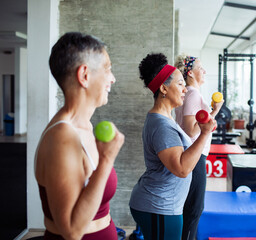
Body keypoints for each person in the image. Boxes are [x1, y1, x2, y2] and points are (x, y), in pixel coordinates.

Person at [34, 32, 125, 240]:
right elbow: (72, 231)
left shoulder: (83, 125)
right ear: (84, 75)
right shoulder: (62, 137)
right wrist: (106, 160)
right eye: (107, 69)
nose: (112, 78)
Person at [129, 53, 216, 240]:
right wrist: (205, 133)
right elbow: (182, 169)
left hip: (163, 205)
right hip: (159, 206)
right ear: (163, 88)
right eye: (180, 84)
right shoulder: (161, 125)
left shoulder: (165, 118)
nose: (185, 89)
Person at [174, 55, 224, 240]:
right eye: (200, 68)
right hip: (195, 156)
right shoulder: (193, 94)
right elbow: (190, 130)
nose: (204, 71)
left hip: (193, 155)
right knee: (194, 210)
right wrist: (215, 110)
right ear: (190, 73)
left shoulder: (188, 93)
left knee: (192, 209)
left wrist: (209, 113)